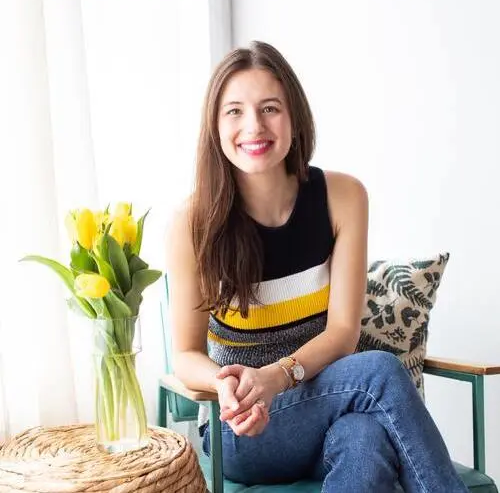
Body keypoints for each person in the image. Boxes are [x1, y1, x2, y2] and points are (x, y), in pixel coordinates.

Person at [165, 40, 468, 492]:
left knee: (364, 440)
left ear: (294, 116)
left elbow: (342, 333)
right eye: (234, 111)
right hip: (245, 432)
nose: (254, 126)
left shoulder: (342, 197)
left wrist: (276, 377)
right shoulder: (192, 223)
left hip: (326, 406)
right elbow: (186, 354)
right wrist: (229, 387)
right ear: (214, 124)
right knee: (381, 372)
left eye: (270, 108)